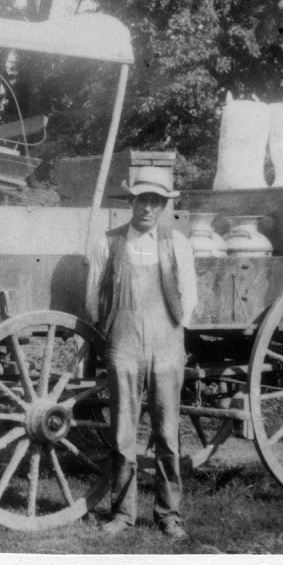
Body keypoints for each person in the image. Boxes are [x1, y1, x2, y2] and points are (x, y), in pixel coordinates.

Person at [85, 164, 197, 540]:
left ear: (164, 205)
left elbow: (190, 296)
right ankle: (122, 513)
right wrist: (113, 331)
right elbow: (92, 299)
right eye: (142, 200)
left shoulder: (176, 242)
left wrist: (173, 334)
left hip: (167, 343)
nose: (148, 208)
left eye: (156, 201)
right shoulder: (109, 241)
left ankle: (169, 514)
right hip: (124, 342)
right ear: (131, 202)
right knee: (122, 432)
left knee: (167, 432)